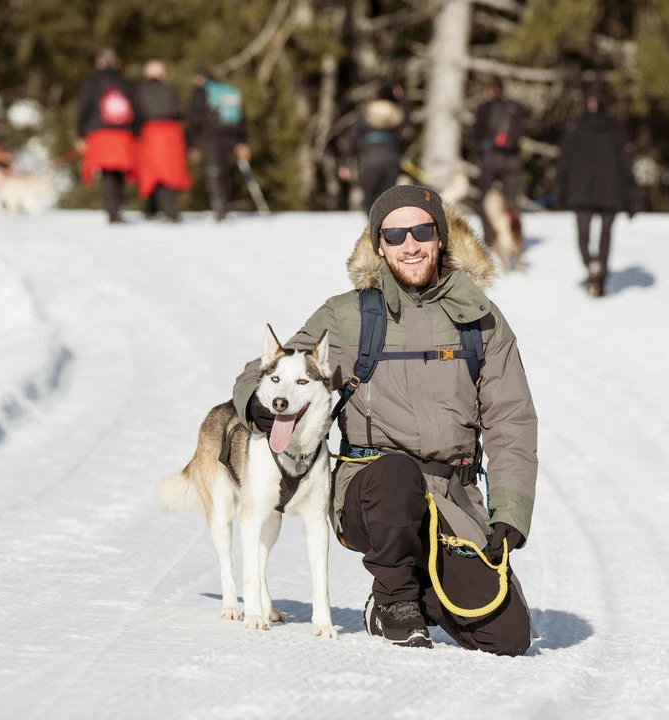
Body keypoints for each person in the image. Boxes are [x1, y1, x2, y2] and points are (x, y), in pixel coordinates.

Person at [231, 185, 539, 656]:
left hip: (453, 496)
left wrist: (510, 511)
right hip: (371, 488)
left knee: (508, 637)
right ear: (379, 244)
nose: (409, 245)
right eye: (395, 235)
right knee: (396, 475)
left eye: (420, 231)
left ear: (440, 238)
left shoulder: (480, 319)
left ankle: (419, 584)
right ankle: (392, 602)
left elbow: (512, 418)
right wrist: (255, 402)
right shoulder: (350, 315)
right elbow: (270, 370)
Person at [555, 87, 635, 297]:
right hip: (609, 190)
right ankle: (598, 273)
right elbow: (627, 163)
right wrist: (632, 195)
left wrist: (560, 188)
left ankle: (593, 268)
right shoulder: (615, 129)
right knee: (603, 235)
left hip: (583, 190)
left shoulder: (577, 126)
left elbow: (564, 160)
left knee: (585, 234)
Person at [76, 47, 138, 224]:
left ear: (98, 62)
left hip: (100, 132)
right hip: (123, 133)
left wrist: (80, 133)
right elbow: (136, 109)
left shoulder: (92, 81)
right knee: (119, 170)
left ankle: (113, 210)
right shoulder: (126, 82)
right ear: (117, 62)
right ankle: (119, 205)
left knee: (108, 171)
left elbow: (83, 108)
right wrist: (134, 130)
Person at [470, 75, 528, 248]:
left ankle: (490, 239)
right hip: (513, 160)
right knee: (511, 203)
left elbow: (477, 135)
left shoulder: (484, 108)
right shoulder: (516, 108)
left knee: (485, 201)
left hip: (491, 158)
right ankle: (514, 238)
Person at [186, 70, 249, 221]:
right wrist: (242, 141)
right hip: (231, 136)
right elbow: (242, 118)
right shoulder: (228, 91)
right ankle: (224, 205)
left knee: (214, 173)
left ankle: (220, 208)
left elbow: (194, 118)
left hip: (211, 137)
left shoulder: (201, 92)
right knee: (224, 172)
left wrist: (192, 144)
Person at [338, 81, 409, 214]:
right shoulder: (395, 116)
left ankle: (373, 228)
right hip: (392, 160)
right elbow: (407, 122)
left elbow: (351, 139)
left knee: (369, 201)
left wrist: (344, 163)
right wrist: (401, 99)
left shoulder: (366, 115)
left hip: (370, 161)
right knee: (388, 199)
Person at [134, 60, 191, 222]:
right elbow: (179, 111)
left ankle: (167, 211)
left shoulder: (140, 90)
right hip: (171, 134)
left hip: (151, 133)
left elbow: (137, 113)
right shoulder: (169, 89)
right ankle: (153, 209)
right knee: (166, 172)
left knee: (156, 172)